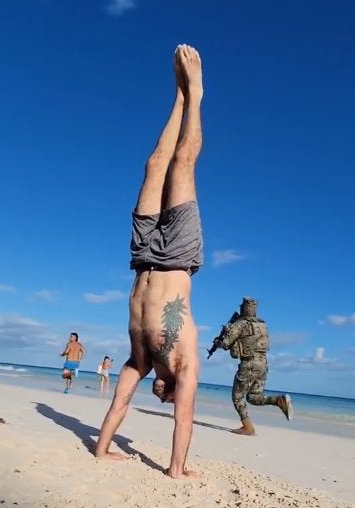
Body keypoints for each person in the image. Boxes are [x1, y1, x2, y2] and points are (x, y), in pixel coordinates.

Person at [95, 44, 204, 479]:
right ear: (175, 390)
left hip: (142, 258)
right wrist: (177, 470)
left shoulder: (137, 361)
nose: (160, 395)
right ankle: (193, 95)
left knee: (154, 163)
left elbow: (120, 401)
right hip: (177, 255)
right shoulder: (185, 365)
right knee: (182, 163)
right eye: (166, 396)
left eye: (156, 396)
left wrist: (102, 450)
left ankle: (177, 96)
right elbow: (185, 419)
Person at [210, 297, 293, 436]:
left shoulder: (241, 324)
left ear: (243, 308)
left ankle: (248, 427)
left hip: (249, 363)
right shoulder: (262, 325)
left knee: (237, 397)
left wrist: (218, 342)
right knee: (254, 397)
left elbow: (226, 344)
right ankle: (279, 400)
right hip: (263, 363)